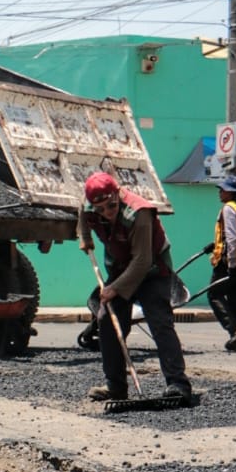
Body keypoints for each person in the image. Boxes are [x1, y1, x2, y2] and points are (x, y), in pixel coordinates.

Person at [78, 171, 192, 402]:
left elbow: (142, 261)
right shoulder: (91, 205)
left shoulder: (139, 213)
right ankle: (116, 386)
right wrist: (85, 236)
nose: (107, 213)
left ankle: (178, 384)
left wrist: (113, 289)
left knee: (159, 322)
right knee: (107, 322)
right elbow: (81, 211)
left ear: (117, 195)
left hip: (151, 270)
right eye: (100, 210)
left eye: (111, 206)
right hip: (120, 267)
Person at [207, 174, 236, 352]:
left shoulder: (228, 208)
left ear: (231, 193)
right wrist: (215, 245)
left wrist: (231, 264)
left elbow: (232, 238)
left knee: (214, 295)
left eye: (223, 189)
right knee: (234, 299)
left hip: (228, 261)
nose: (220, 192)